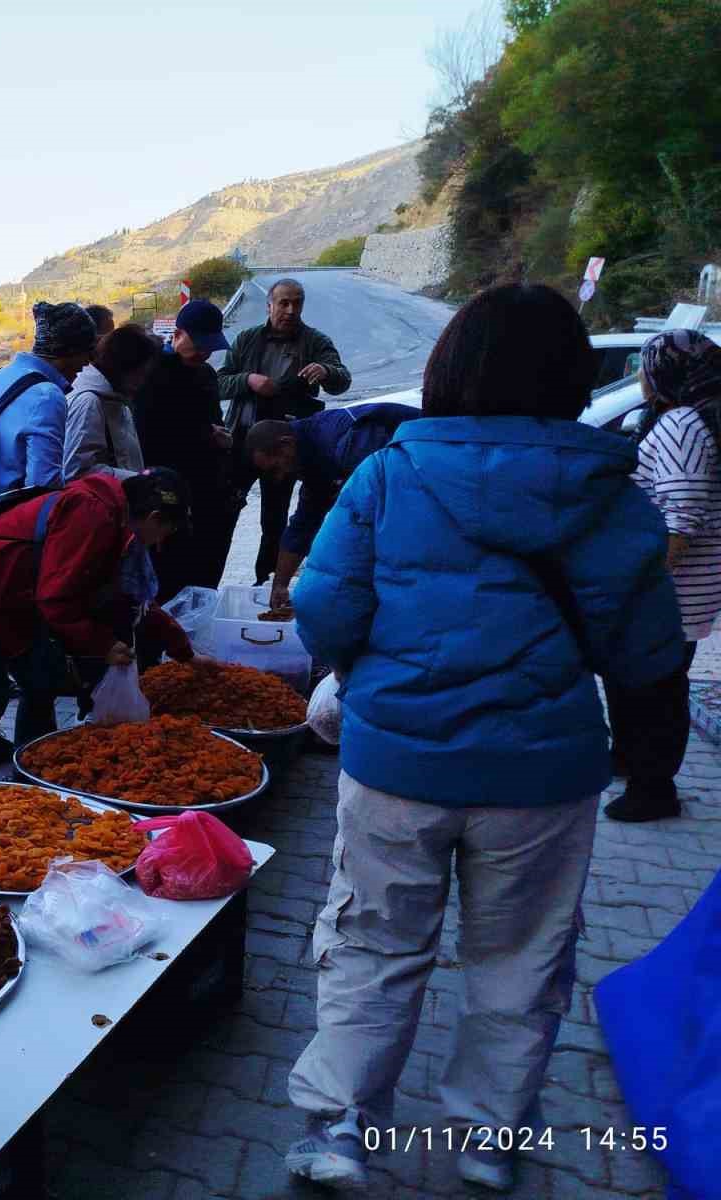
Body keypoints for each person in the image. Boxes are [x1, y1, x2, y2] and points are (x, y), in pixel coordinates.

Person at [282, 284, 685, 1193]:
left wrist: (368, 672)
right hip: (543, 776)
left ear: (449, 369)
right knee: (521, 957)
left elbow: (321, 606)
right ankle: (487, 1140)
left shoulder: (388, 472)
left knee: (373, 942)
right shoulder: (611, 497)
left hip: (395, 765)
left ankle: (342, 1127)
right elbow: (649, 650)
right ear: (574, 376)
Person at [0, 469, 196, 781]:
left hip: (17, 594)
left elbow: (136, 601)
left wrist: (184, 651)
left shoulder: (119, 520)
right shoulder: (93, 514)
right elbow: (55, 601)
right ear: (153, 515)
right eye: (166, 531)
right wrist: (102, 645)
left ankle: (29, 776)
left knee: (40, 681)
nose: (161, 543)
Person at [603, 330, 721, 822]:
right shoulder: (693, 418)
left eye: (647, 369)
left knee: (656, 688)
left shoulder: (683, 425)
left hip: (664, 592)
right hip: (681, 589)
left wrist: (643, 583)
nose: (641, 380)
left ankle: (655, 789)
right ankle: (630, 760)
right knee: (638, 680)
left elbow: (682, 515)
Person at [219, 278, 352, 584]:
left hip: (284, 448)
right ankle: (208, 580)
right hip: (243, 440)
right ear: (270, 305)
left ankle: (264, 584)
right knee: (225, 512)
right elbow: (219, 381)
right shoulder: (247, 339)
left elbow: (343, 380)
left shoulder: (315, 341)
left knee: (275, 520)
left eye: (297, 303)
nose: (291, 310)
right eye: (284, 303)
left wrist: (326, 371)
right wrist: (248, 380)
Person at [243, 401, 420, 610]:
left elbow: (381, 506)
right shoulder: (309, 454)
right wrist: (280, 584)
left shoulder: (344, 443)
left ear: (285, 444)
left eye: (276, 467)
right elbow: (304, 524)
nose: (279, 476)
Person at [134, 301, 238, 597]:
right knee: (167, 575)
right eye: (199, 343)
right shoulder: (150, 374)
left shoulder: (205, 374)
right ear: (178, 334)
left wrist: (221, 438)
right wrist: (204, 435)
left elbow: (214, 420)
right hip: (164, 491)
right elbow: (147, 434)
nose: (204, 352)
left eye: (211, 346)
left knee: (202, 572)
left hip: (205, 488)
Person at [0, 301, 97, 493]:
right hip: (11, 513)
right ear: (69, 350)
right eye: (88, 352)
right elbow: (42, 487)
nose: (88, 363)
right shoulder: (47, 396)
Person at [62, 323, 157, 481]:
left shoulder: (116, 400)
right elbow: (77, 472)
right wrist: (136, 480)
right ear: (122, 368)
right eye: (140, 373)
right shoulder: (88, 402)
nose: (142, 381)